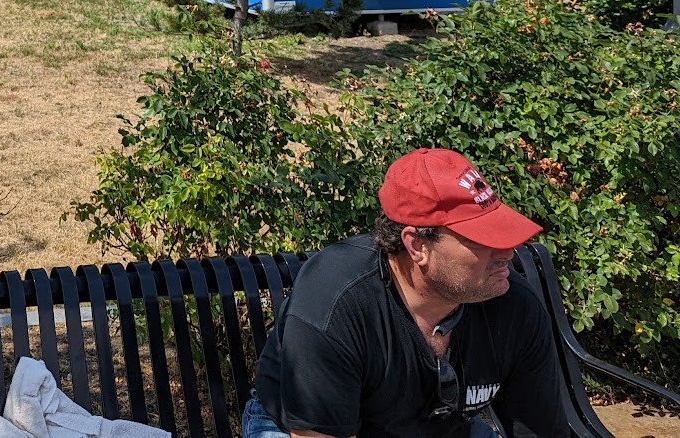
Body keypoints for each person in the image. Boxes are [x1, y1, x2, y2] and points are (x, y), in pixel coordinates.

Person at [242, 148, 568, 438]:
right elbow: (314, 433)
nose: (507, 253)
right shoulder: (336, 301)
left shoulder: (513, 305)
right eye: (483, 239)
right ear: (417, 245)